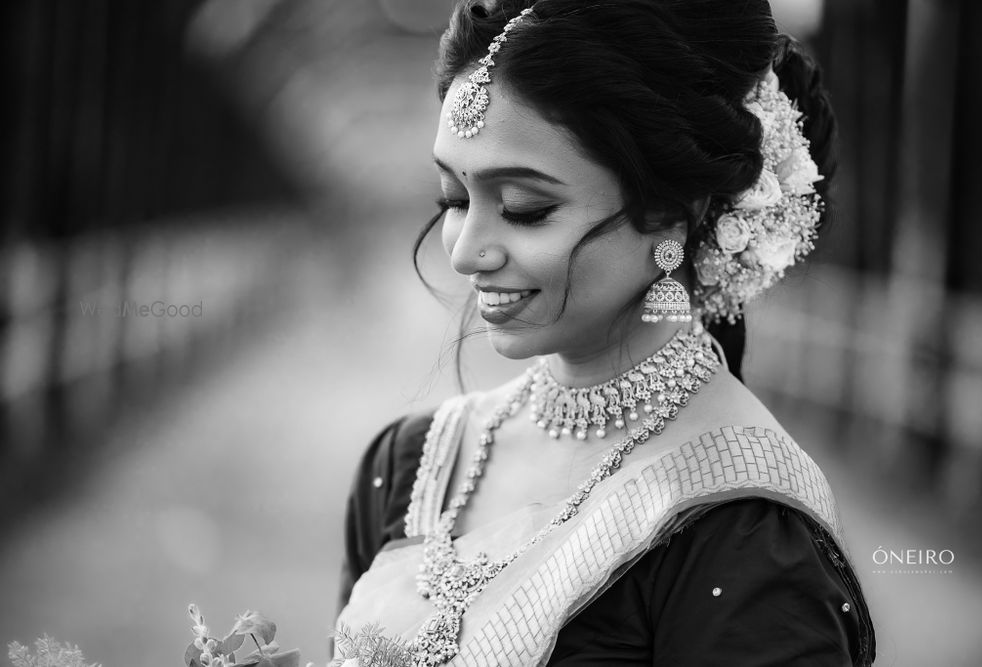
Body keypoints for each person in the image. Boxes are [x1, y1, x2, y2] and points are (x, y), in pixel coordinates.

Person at [334, 1, 877, 665]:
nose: (466, 250)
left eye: (525, 210)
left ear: (672, 213)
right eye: (453, 199)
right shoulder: (409, 465)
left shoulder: (742, 536)